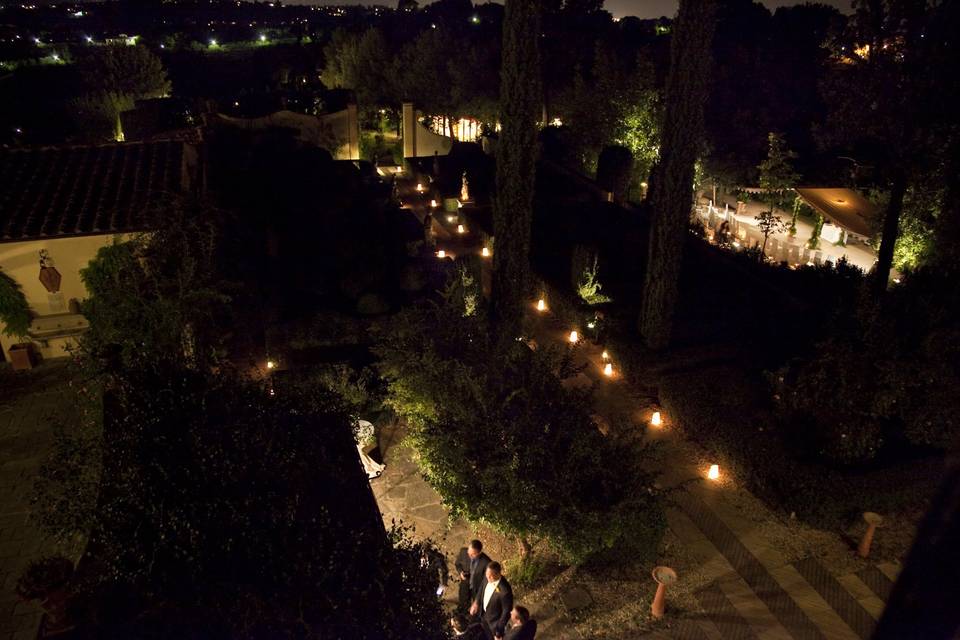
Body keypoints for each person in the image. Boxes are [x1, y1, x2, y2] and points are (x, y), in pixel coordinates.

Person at [469, 562, 513, 640]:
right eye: (486, 575)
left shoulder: (505, 591)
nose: (487, 577)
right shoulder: (487, 576)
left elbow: (506, 612)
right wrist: (476, 602)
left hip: (494, 623)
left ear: (498, 574)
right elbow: (481, 588)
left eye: (490, 576)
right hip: (483, 614)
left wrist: (498, 630)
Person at [466, 540, 491, 606]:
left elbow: (485, 582)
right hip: (468, 585)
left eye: (472, 554)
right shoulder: (468, 554)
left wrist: (477, 600)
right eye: (469, 551)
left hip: (477, 589)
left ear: (479, 553)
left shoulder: (487, 563)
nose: (469, 555)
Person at [454, 545, 473, 613]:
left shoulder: (482, 560)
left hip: (476, 582)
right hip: (465, 580)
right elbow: (457, 564)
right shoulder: (463, 552)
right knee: (463, 599)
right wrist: (460, 572)